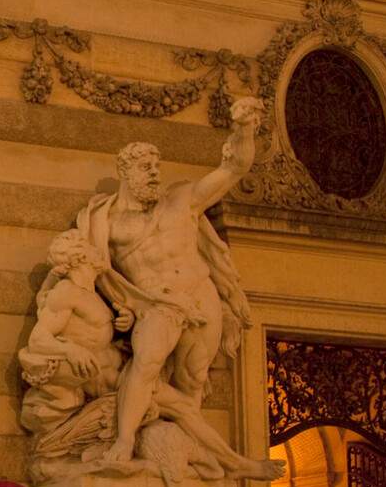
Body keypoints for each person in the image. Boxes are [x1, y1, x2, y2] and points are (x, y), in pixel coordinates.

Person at [68, 96, 262, 464]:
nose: (155, 173)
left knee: (193, 380)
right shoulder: (107, 223)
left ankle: (190, 454)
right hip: (156, 303)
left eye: (157, 166)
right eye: (145, 167)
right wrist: (118, 308)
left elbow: (233, 168)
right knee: (145, 364)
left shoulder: (182, 200)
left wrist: (243, 129)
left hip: (200, 295)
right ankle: (124, 441)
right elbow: (91, 272)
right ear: (126, 172)